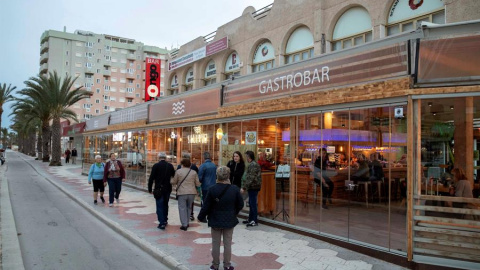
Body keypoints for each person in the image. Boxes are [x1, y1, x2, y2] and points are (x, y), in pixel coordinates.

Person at [198, 166, 244, 270]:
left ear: (217, 176)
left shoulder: (212, 189)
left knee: (215, 243)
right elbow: (240, 204)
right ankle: (227, 265)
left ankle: (215, 265)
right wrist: (234, 212)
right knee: (228, 243)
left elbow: (206, 206)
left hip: (215, 219)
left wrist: (200, 217)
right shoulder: (235, 189)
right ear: (228, 176)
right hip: (229, 219)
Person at [171, 158, 201, 231]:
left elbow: (174, 182)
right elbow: (198, 183)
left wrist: (170, 180)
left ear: (182, 164)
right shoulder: (193, 172)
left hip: (182, 193)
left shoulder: (178, 171)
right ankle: (187, 222)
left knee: (182, 208)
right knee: (189, 208)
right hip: (192, 193)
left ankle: (184, 224)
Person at [148, 152, 175, 230]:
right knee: (166, 204)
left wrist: (149, 188)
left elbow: (151, 178)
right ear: (165, 158)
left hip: (158, 188)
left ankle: (162, 222)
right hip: (167, 188)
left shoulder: (156, 166)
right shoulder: (170, 166)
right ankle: (165, 219)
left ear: (159, 158)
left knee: (159, 205)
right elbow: (173, 175)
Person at [242, 150, 262, 227]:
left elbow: (251, 178)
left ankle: (254, 220)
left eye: (246, 156)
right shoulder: (252, 164)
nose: (246, 158)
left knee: (253, 204)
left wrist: (244, 187)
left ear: (248, 156)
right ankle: (250, 219)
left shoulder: (253, 165)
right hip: (252, 186)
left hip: (253, 187)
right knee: (251, 203)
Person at [177, 154, 199, 221]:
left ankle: (184, 220)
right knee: (190, 204)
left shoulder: (179, 167)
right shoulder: (194, 167)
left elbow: (176, 178)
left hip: (182, 189)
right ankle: (190, 215)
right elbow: (197, 178)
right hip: (191, 188)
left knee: (182, 206)